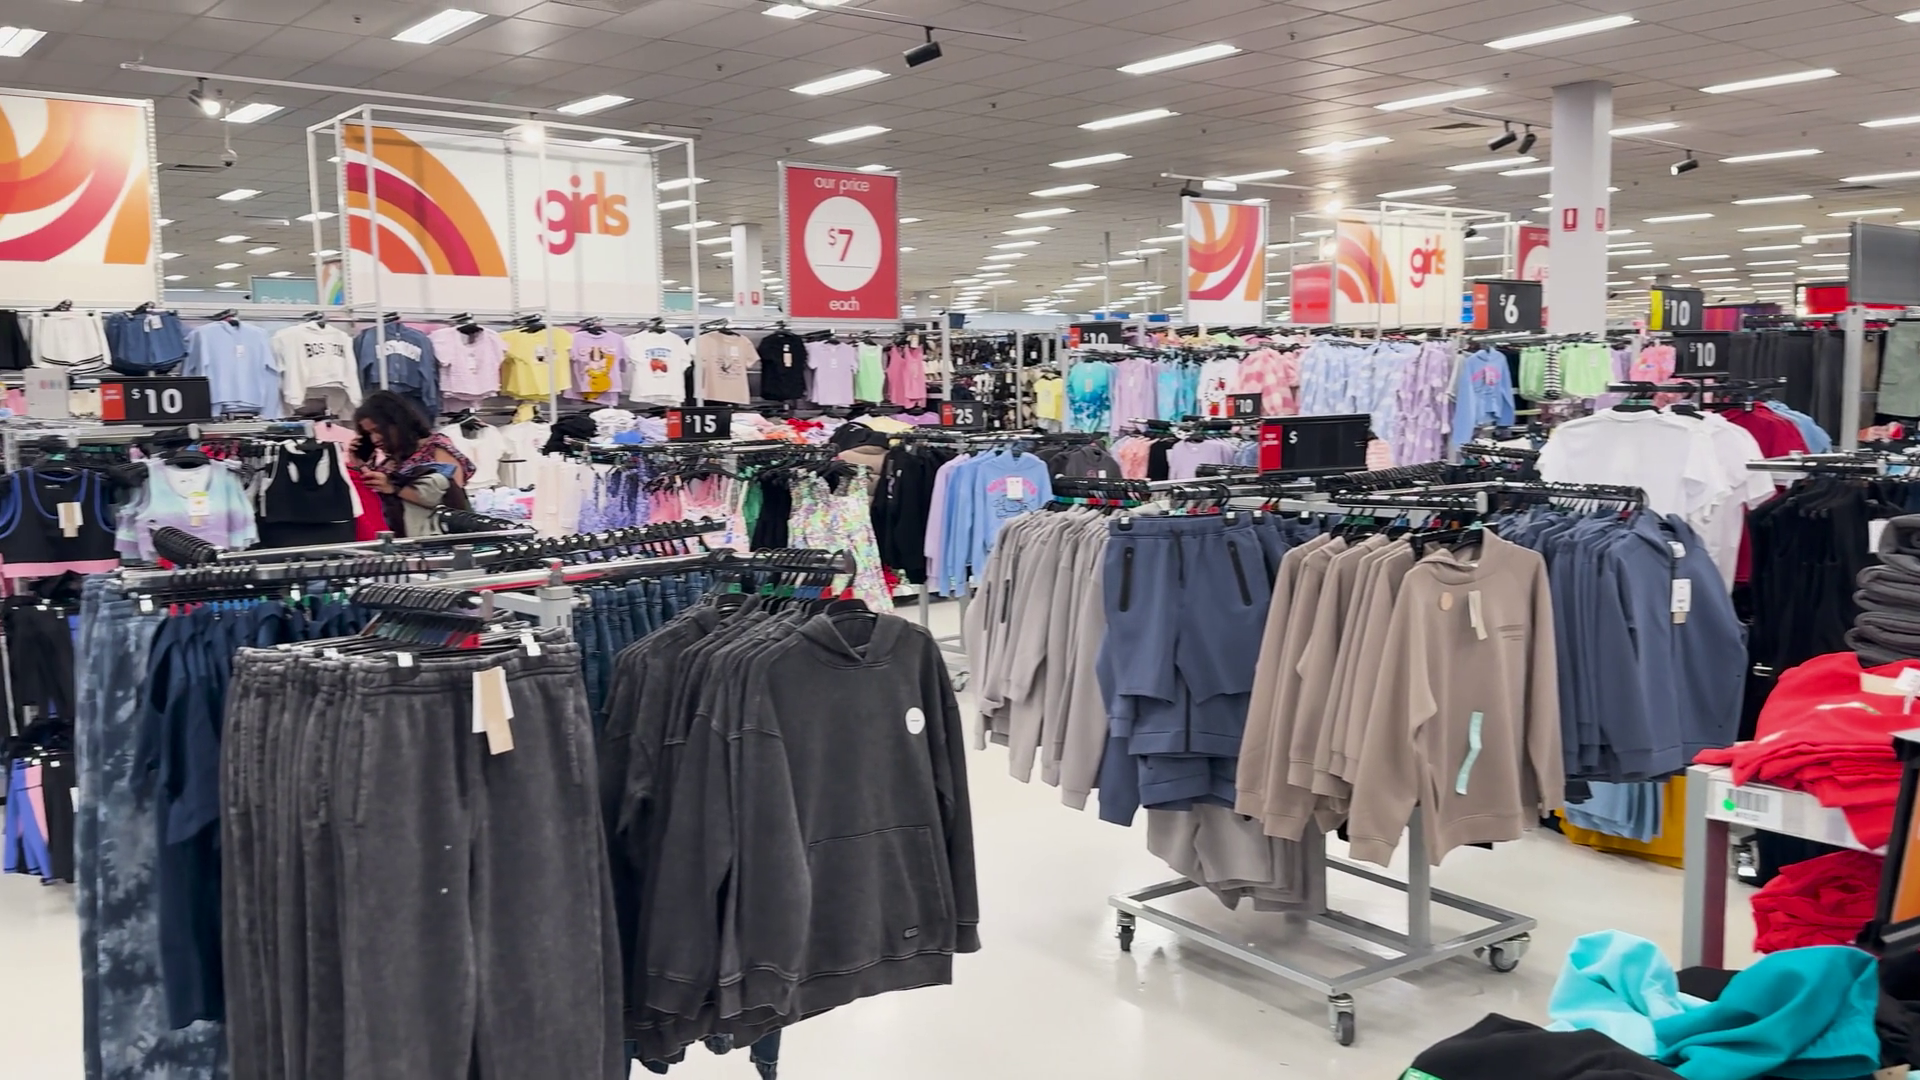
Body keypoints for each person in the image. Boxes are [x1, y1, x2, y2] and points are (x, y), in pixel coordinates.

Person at [348, 390, 474, 536]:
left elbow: (451, 498)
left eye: (378, 430)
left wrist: (394, 488)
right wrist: (359, 464)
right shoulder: (391, 460)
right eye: (368, 434)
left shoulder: (437, 448)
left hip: (436, 540)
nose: (374, 439)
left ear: (397, 422)